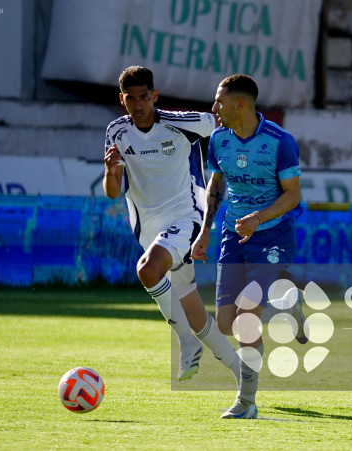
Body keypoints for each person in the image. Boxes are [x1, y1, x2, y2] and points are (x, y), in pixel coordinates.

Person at [102, 66, 244, 413]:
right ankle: (244, 374)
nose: (137, 105)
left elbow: (222, 123)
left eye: (143, 97)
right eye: (130, 99)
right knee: (194, 313)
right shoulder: (117, 132)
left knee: (148, 271)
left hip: (187, 217)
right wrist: (110, 171)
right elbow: (111, 193)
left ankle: (184, 342)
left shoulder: (181, 123)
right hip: (149, 230)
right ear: (122, 100)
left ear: (154, 96)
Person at [191, 74, 306, 420]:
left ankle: (247, 401)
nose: (214, 108)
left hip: (272, 236)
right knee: (226, 322)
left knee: (245, 320)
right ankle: (289, 305)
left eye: (219, 101)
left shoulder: (280, 141)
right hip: (232, 235)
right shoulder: (218, 140)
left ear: (239, 104)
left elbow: (293, 195)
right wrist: (205, 230)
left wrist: (257, 218)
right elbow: (215, 186)